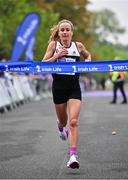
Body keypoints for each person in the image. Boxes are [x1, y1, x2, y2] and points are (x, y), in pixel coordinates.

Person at [42, 19, 91, 169]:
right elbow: (42, 65)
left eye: (67, 29)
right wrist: (56, 56)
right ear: (59, 32)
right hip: (58, 88)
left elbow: (87, 55)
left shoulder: (78, 46)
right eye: (62, 30)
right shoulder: (53, 45)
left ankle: (73, 156)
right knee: (63, 122)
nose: (64, 32)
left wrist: (88, 60)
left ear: (71, 32)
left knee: (74, 122)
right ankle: (60, 126)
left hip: (74, 88)